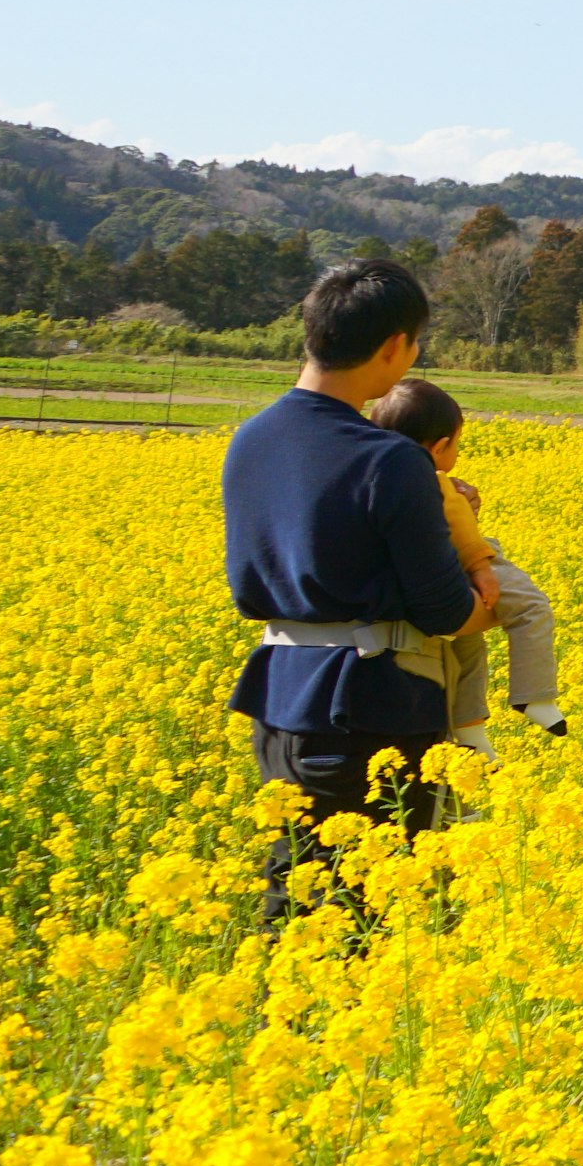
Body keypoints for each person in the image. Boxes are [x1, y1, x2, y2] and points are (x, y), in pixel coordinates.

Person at [223, 260, 496, 924]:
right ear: (395, 346)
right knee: (378, 916)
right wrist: (488, 596)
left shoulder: (249, 438)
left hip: (279, 700)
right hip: (374, 709)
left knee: (296, 902)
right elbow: (446, 610)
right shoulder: (390, 457)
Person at [365, 379, 566, 752]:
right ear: (440, 446)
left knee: (465, 645)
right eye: (456, 444)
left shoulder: (374, 472)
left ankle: (470, 731)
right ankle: (535, 695)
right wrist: (482, 567)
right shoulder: (433, 481)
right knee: (532, 606)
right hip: (466, 560)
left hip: (422, 577)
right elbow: (460, 526)